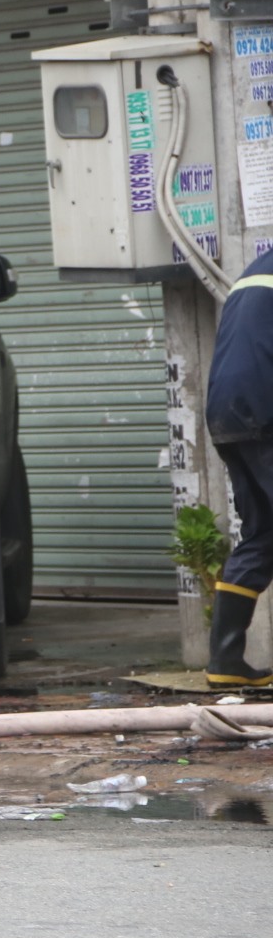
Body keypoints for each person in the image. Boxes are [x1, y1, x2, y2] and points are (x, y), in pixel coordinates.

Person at [204, 246, 273, 688]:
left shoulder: (256, 271)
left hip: (226, 414)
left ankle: (226, 662)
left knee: (262, 534)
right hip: (265, 410)